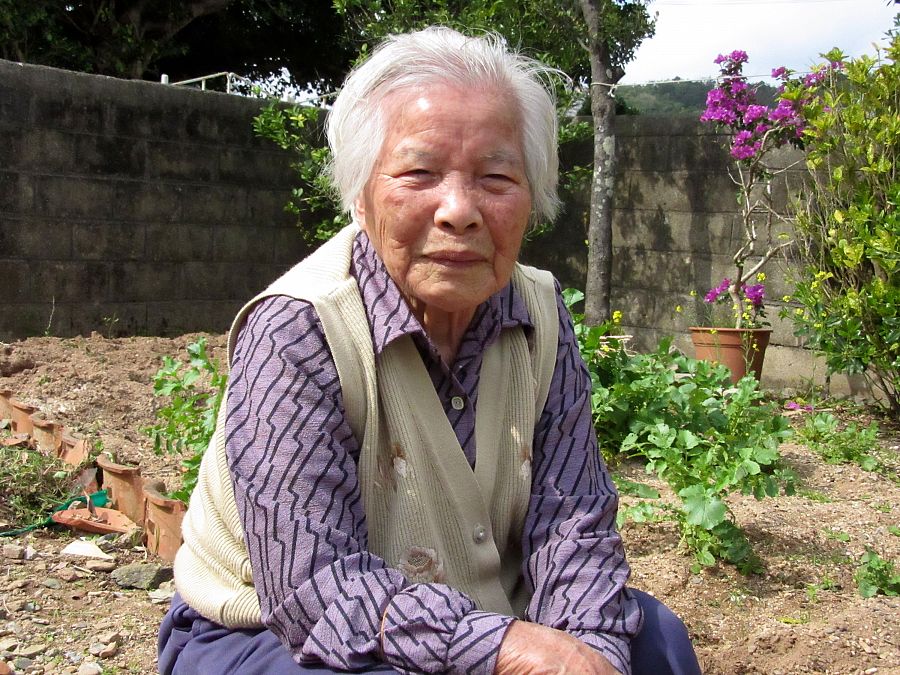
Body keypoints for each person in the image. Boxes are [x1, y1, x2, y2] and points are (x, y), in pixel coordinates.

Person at [158, 26, 701, 675]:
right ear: (361, 195)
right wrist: (509, 649)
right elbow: (316, 591)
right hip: (272, 633)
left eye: (496, 177)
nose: (459, 210)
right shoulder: (300, 327)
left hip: (484, 610)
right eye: (419, 172)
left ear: (533, 198)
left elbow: (573, 523)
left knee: (654, 642)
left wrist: (593, 656)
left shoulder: (541, 312)